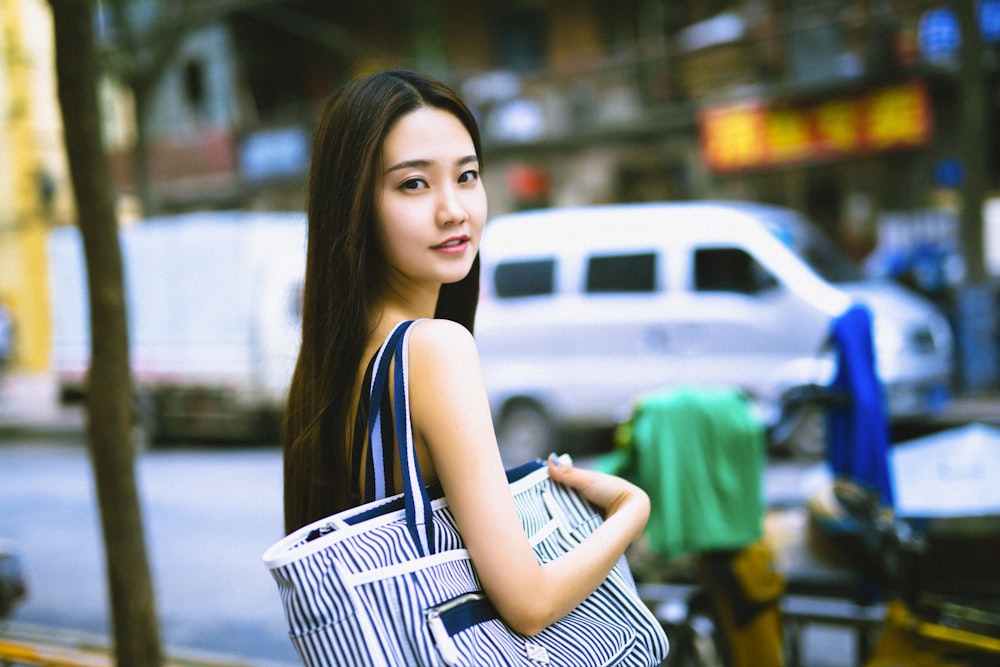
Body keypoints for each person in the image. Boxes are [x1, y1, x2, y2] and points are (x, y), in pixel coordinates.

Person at [283, 69, 651, 637]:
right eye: (413, 184)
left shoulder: (335, 362)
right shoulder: (432, 349)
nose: (453, 209)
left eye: (467, 176)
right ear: (354, 203)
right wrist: (629, 512)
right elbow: (529, 603)